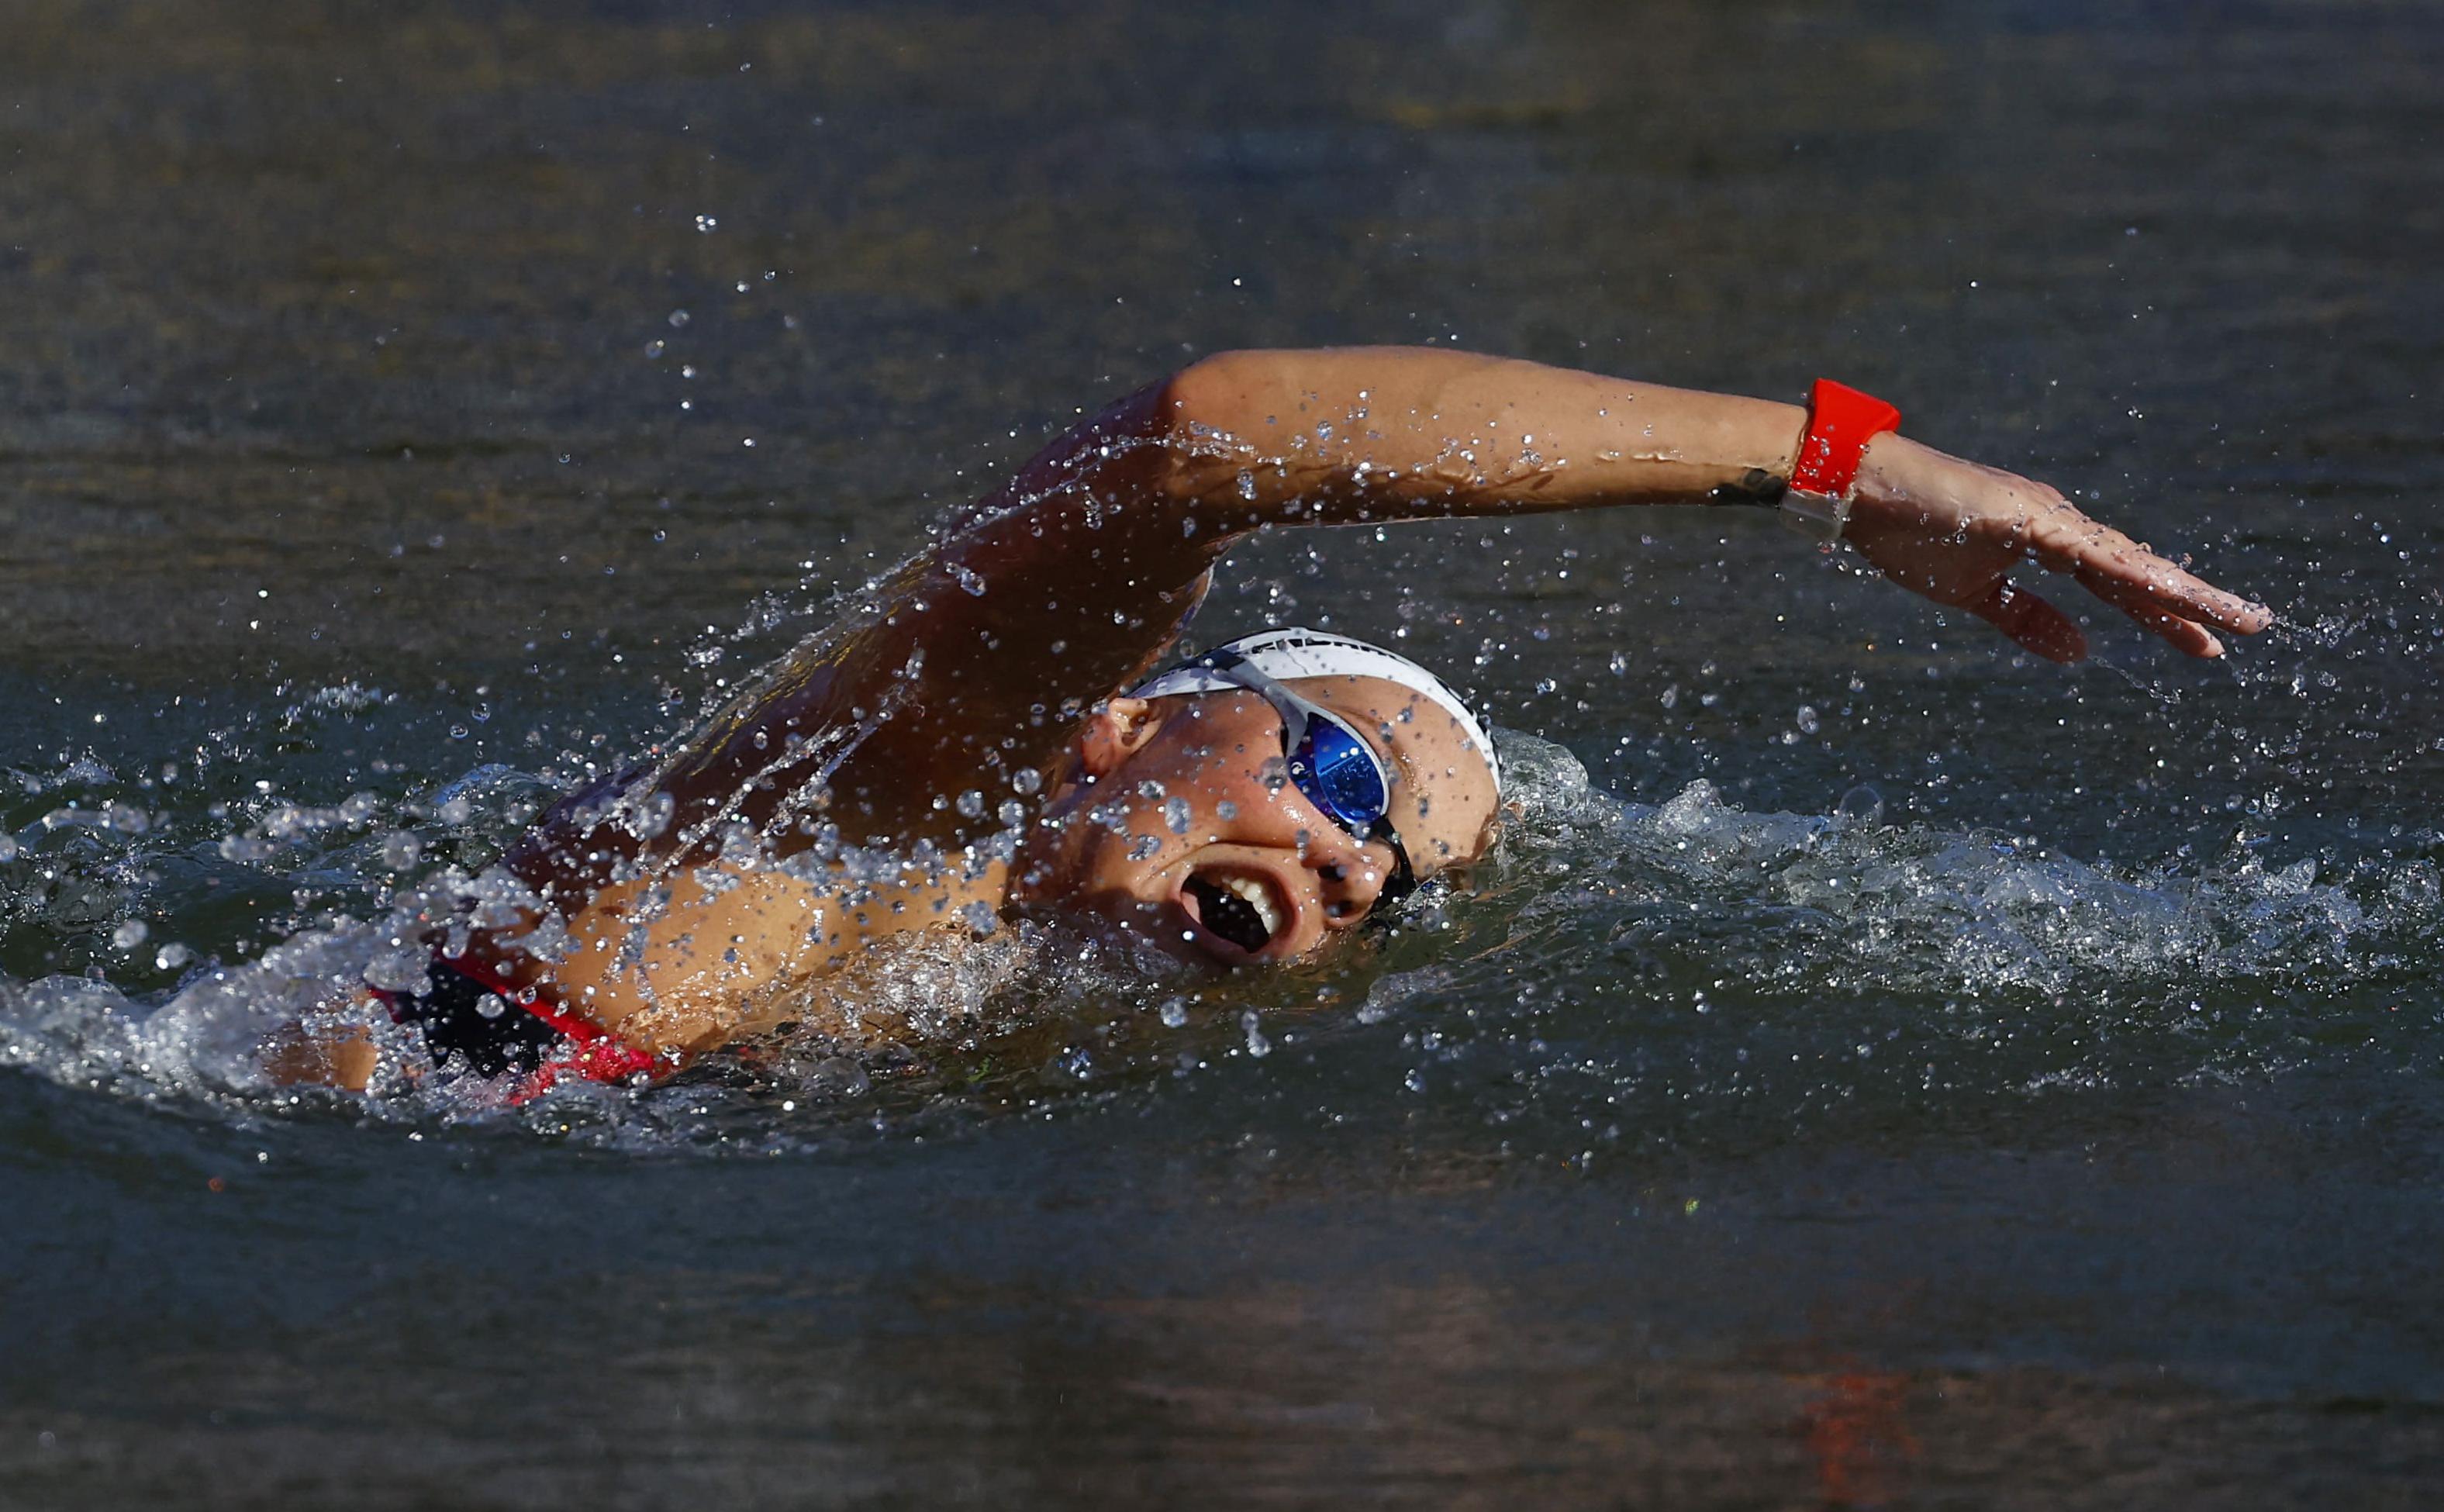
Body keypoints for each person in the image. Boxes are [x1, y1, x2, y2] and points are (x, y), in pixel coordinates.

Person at [272, 346, 2271, 1094]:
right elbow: (1210, 440)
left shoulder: (974, 1047)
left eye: (1383, 887)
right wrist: (1852, 465)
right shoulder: (902, 782)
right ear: (1127, 728)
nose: (1342, 859)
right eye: (1338, 774)